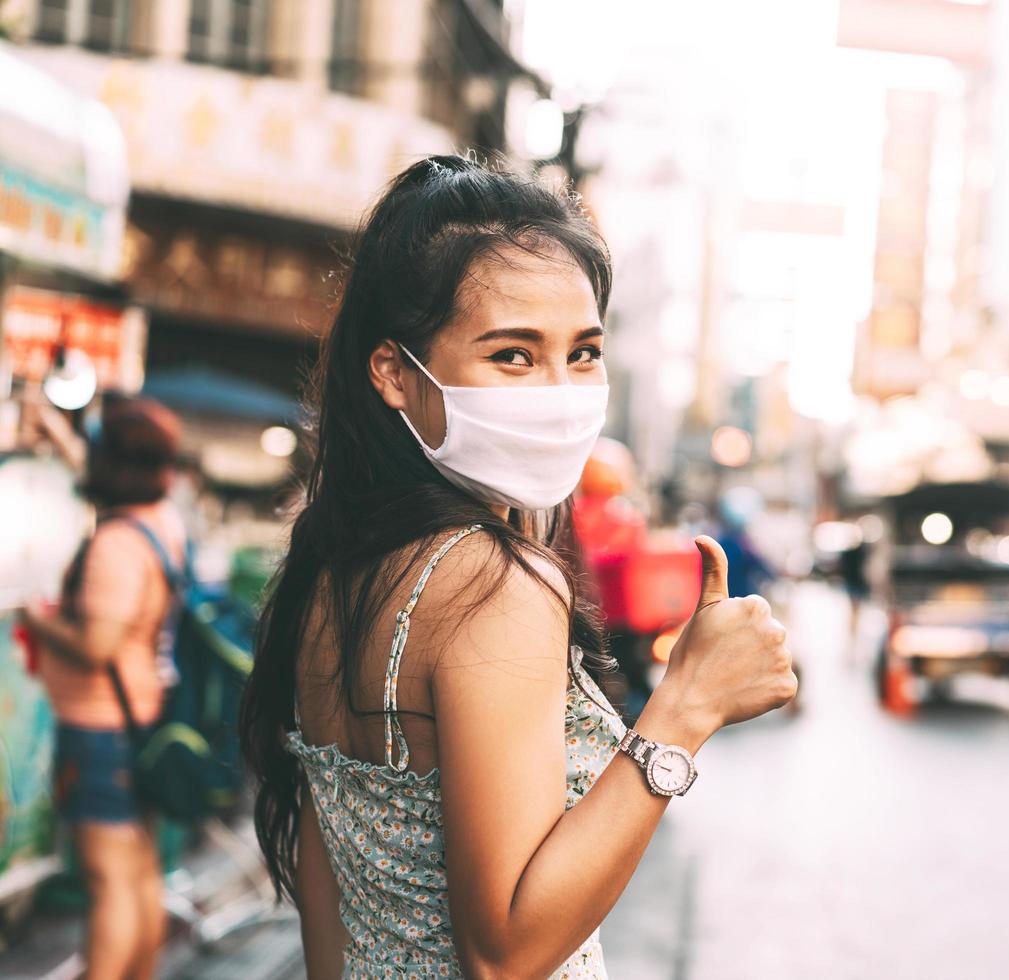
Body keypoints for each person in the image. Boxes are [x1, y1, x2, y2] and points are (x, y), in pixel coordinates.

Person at [238, 156, 797, 979]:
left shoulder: (333, 570)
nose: (560, 392)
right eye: (512, 355)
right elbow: (505, 953)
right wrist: (685, 707)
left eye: (583, 352)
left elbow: (329, 916)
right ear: (395, 373)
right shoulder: (494, 583)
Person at [21, 395, 186, 980]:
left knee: (108, 880)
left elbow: (96, 646)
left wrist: (34, 617)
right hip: (136, 719)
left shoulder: (116, 545)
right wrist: (59, 436)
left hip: (100, 732)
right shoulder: (161, 521)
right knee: (137, 872)